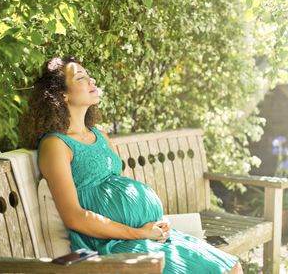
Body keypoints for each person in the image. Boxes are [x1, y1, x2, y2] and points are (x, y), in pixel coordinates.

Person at [21, 56, 243, 274]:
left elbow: (118, 187)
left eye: (89, 76)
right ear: (63, 95)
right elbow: (74, 217)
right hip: (109, 245)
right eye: (81, 78)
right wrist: (138, 233)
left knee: (232, 267)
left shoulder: (100, 137)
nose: (92, 81)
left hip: (147, 235)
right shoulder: (56, 144)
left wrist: (151, 224)